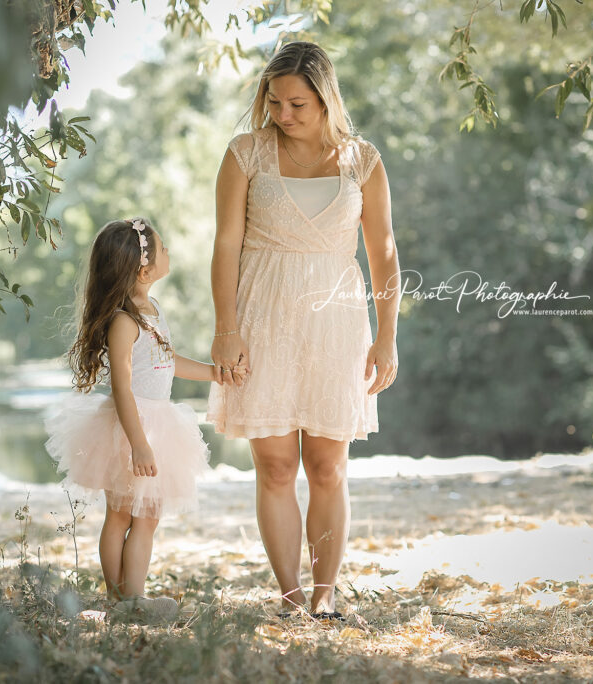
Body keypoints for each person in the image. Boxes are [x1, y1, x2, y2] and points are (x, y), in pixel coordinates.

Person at [207, 41, 401, 620]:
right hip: (261, 319)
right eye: (274, 102)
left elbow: (384, 253)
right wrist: (225, 330)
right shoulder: (245, 154)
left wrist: (387, 336)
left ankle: (325, 594)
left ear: (326, 99)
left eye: (296, 103)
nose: (282, 114)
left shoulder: (362, 160)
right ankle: (289, 594)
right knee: (274, 467)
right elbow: (225, 247)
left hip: (338, 325)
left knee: (327, 466)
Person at [44, 217, 228, 622]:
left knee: (148, 516)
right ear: (145, 270)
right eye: (163, 249)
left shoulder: (152, 310)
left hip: (161, 424)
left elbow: (167, 362)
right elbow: (123, 389)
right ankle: (118, 601)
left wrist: (214, 372)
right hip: (131, 428)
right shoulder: (124, 321)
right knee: (121, 514)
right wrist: (139, 442)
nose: (169, 253)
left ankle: (136, 598)